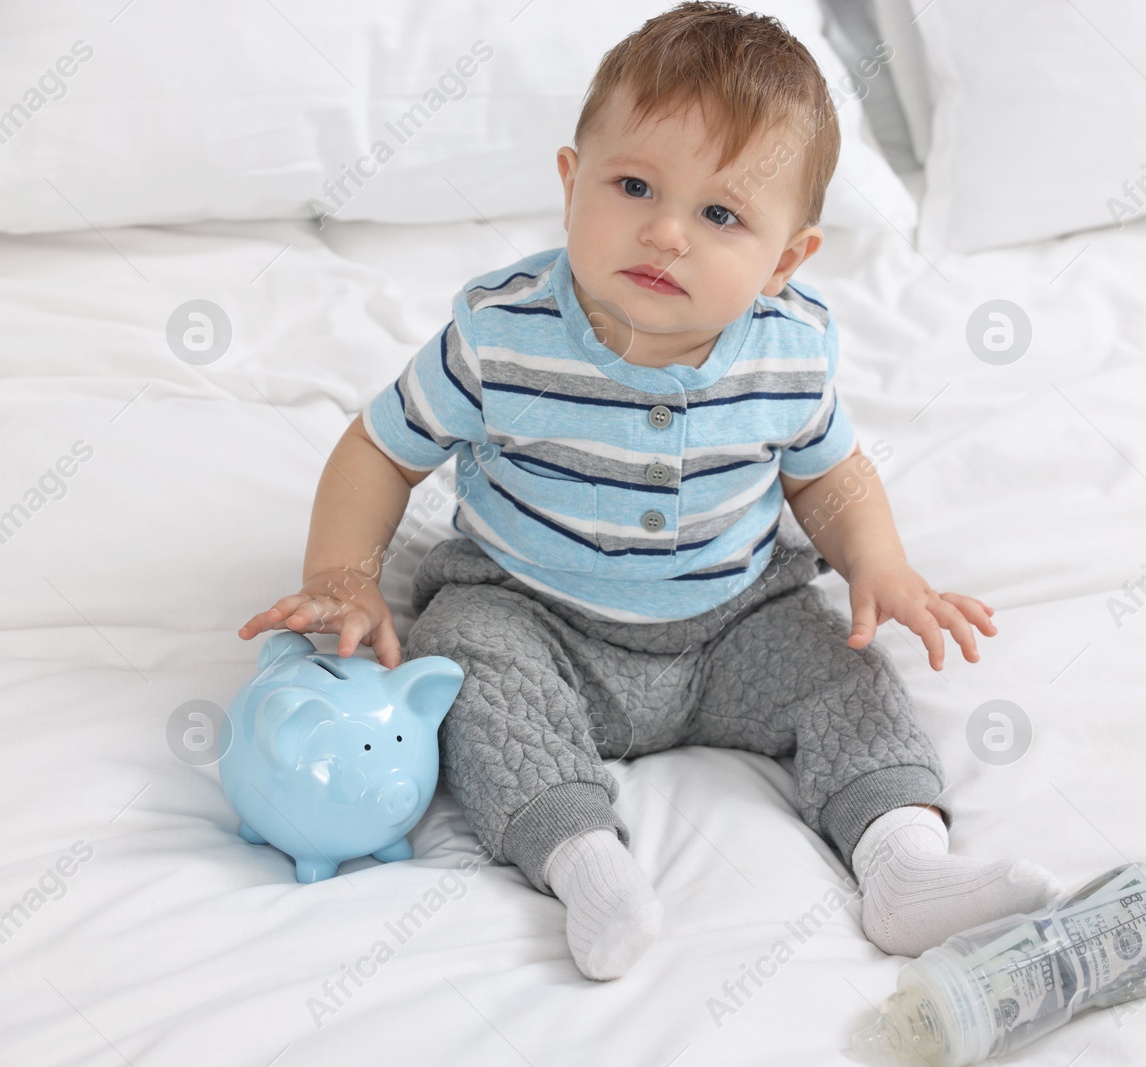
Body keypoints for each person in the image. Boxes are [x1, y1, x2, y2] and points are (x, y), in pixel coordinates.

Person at [239, 1, 1062, 981]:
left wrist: (877, 562)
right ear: (569, 183)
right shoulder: (502, 337)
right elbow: (379, 449)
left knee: (849, 670)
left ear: (784, 259)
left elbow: (828, 471)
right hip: (535, 609)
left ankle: (901, 860)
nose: (665, 231)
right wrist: (343, 572)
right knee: (467, 667)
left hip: (731, 625)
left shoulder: (789, 351)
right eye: (633, 185)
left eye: (721, 214)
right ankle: (585, 861)